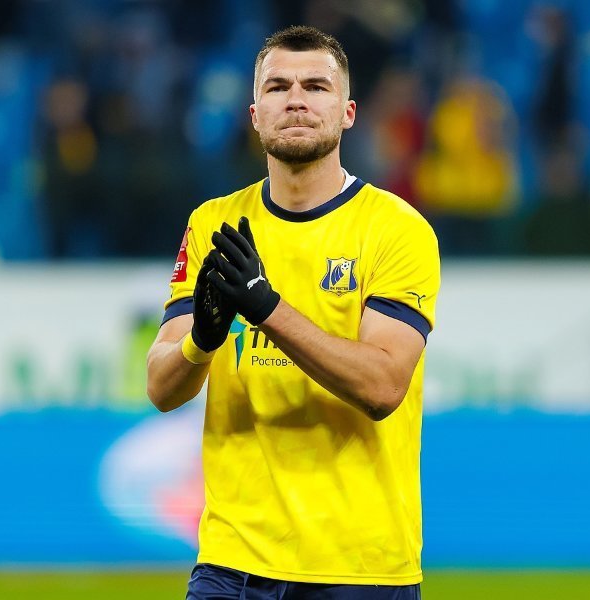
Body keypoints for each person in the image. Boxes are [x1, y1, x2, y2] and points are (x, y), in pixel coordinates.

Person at [146, 26, 439, 599]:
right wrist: (201, 341)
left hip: (359, 567)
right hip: (231, 562)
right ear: (255, 114)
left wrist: (266, 307)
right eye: (278, 87)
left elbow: (383, 387)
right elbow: (161, 387)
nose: (297, 100)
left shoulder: (397, 230)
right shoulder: (214, 224)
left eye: (316, 87)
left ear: (348, 113)